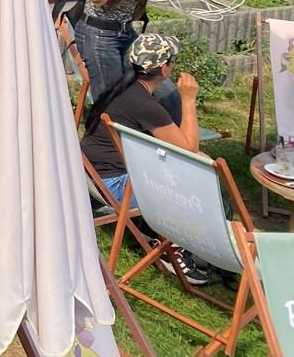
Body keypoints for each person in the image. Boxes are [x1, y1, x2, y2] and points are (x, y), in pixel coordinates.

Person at [79, 33, 210, 285]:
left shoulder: (119, 90)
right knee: (199, 171)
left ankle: (162, 235)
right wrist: (188, 99)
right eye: (171, 61)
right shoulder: (146, 105)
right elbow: (189, 148)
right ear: (164, 68)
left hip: (89, 176)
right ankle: (175, 248)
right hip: (114, 187)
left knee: (194, 162)